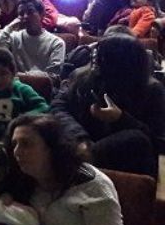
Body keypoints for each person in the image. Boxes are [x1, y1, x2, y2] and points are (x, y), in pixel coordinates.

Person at [52, 35, 165, 176]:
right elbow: (59, 106)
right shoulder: (84, 77)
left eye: (103, 57)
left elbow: (157, 142)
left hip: (125, 162)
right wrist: (80, 138)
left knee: (136, 138)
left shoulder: (152, 90)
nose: (95, 59)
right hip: (81, 144)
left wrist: (120, 119)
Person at [5, 114, 129, 225]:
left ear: (51, 148)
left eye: (26, 144)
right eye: (14, 144)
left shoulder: (93, 186)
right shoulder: (22, 179)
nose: (16, 152)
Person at [0, 0, 65, 78]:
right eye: (21, 14)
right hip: (14, 86)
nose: (25, 16)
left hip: (41, 86)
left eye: (30, 12)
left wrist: (22, 76)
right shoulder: (13, 37)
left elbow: (53, 75)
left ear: (42, 14)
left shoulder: (56, 42)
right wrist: (9, 27)